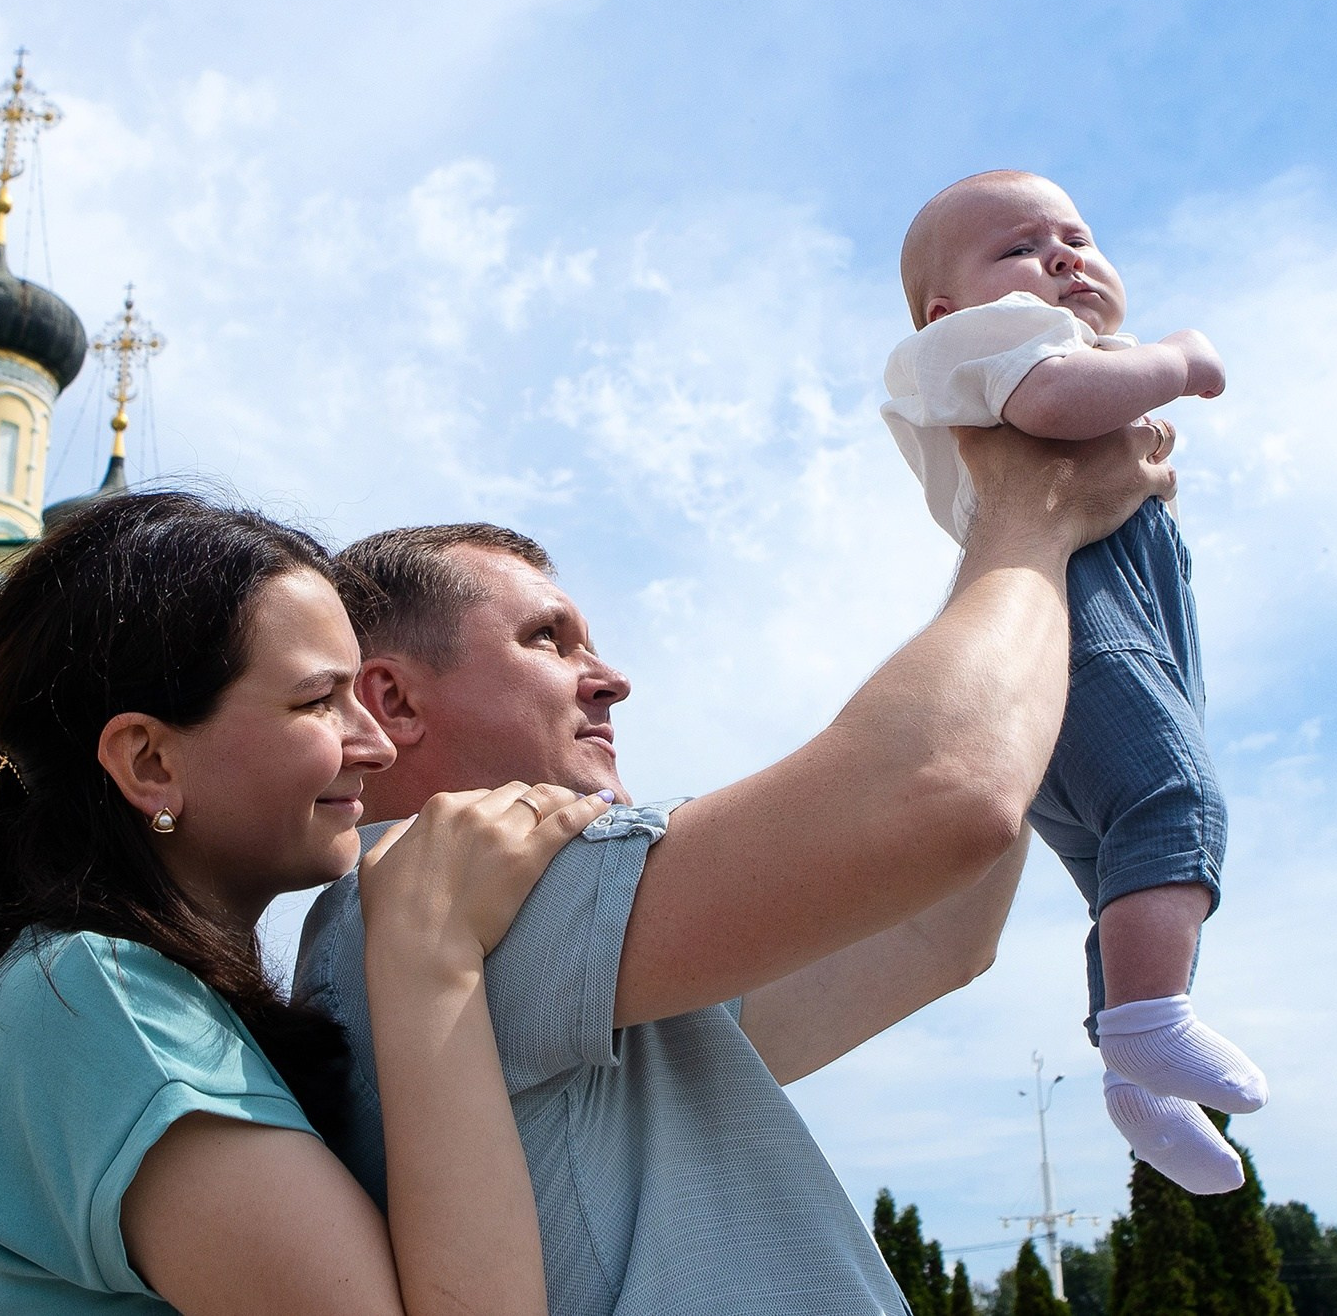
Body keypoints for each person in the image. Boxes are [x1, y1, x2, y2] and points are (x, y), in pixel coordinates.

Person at [296, 421, 1171, 1315]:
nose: (611, 678)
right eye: (548, 640)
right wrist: (1030, 519)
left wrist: (1036, 565)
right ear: (392, 700)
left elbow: (934, 932)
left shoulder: (483, 931)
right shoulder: (446, 883)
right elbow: (946, 790)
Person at [0, 491, 610, 1315]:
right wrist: (429, 954)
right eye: (317, 701)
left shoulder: (84, 989)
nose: (372, 742)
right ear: (150, 761)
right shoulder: (98, 1001)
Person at [882, 168, 1265, 1193]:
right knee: (1169, 800)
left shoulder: (1041, 344)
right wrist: (1174, 360)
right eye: (1016, 247)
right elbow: (1052, 403)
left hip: (1122, 603)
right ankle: (1146, 1022)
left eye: (1076, 236)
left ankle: (1137, 1080)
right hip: (1067, 596)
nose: (1057, 257)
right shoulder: (982, 340)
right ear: (943, 306)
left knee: (1122, 864)